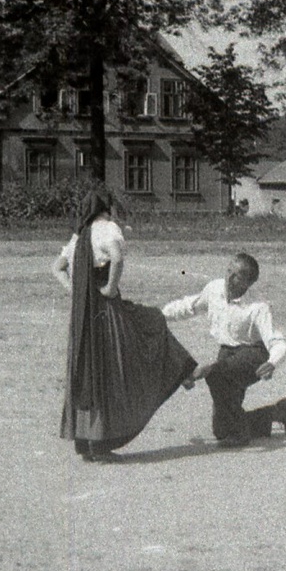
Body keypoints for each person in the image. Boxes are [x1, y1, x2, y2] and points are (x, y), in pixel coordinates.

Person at [56, 188, 197, 460]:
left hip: (82, 312)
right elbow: (117, 257)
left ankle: (85, 442)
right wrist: (109, 287)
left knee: (86, 367)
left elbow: (56, 267)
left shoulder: (79, 236)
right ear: (106, 208)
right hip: (105, 308)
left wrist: (76, 290)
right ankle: (101, 443)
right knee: (114, 363)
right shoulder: (108, 228)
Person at [163, 253, 286, 447]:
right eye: (228, 271)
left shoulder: (258, 306)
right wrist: (159, 315)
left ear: (249, 283)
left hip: (254, 355)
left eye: (238, 276)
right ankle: (276, 412)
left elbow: (277, 340)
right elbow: (190, 306)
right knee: (221, 430)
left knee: (215, 374)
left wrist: (272, 362)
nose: (229, 279)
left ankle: (240, 435)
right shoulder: (214, 289)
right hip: (227, 352)